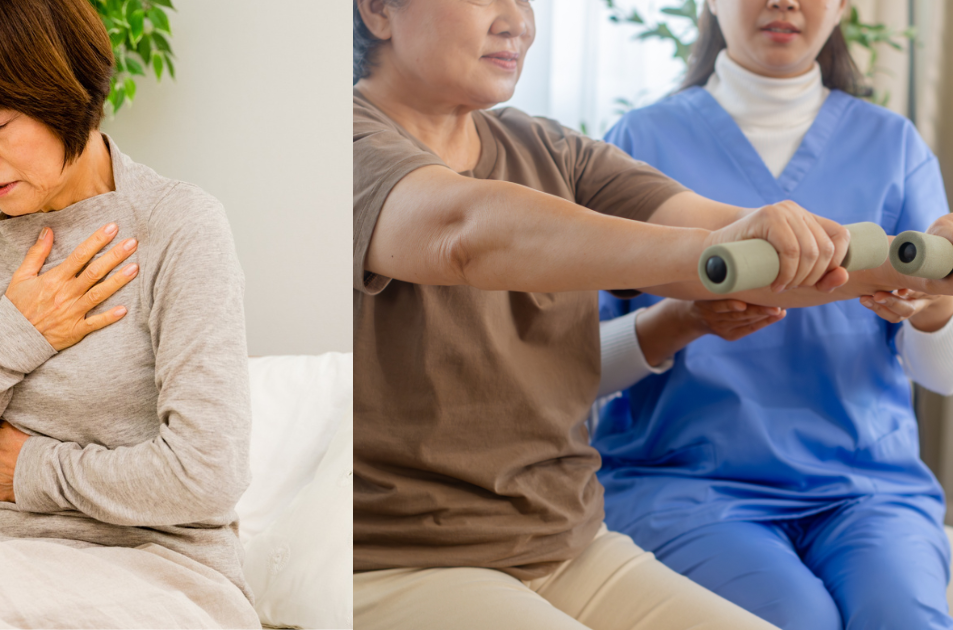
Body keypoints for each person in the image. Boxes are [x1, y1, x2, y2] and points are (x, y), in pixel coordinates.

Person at [345, 0, 953, 627]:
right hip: (411, 553)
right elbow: (465, 230)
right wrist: (717, 257)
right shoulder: (341, 143)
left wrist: (923, 268)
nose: (516, 21)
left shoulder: (554, 150)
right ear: (380, 11)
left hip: (567, 544)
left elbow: (751, 247)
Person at [0, 0, 258, 627]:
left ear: (70, 93)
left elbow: (207, 473)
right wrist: (13, 335)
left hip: (165, 579)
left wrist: (33, 469)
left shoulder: (177, 226)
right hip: (8, 567)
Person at [595, 1, 953, 628]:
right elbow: (571, 364)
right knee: (797, 618)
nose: (783, 0)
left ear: (843, 5)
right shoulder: (638, 144)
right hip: (689, 486)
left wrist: (930, 313)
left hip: (868, 489)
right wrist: (684, 318)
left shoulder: (892, 144)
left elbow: (942, 373)